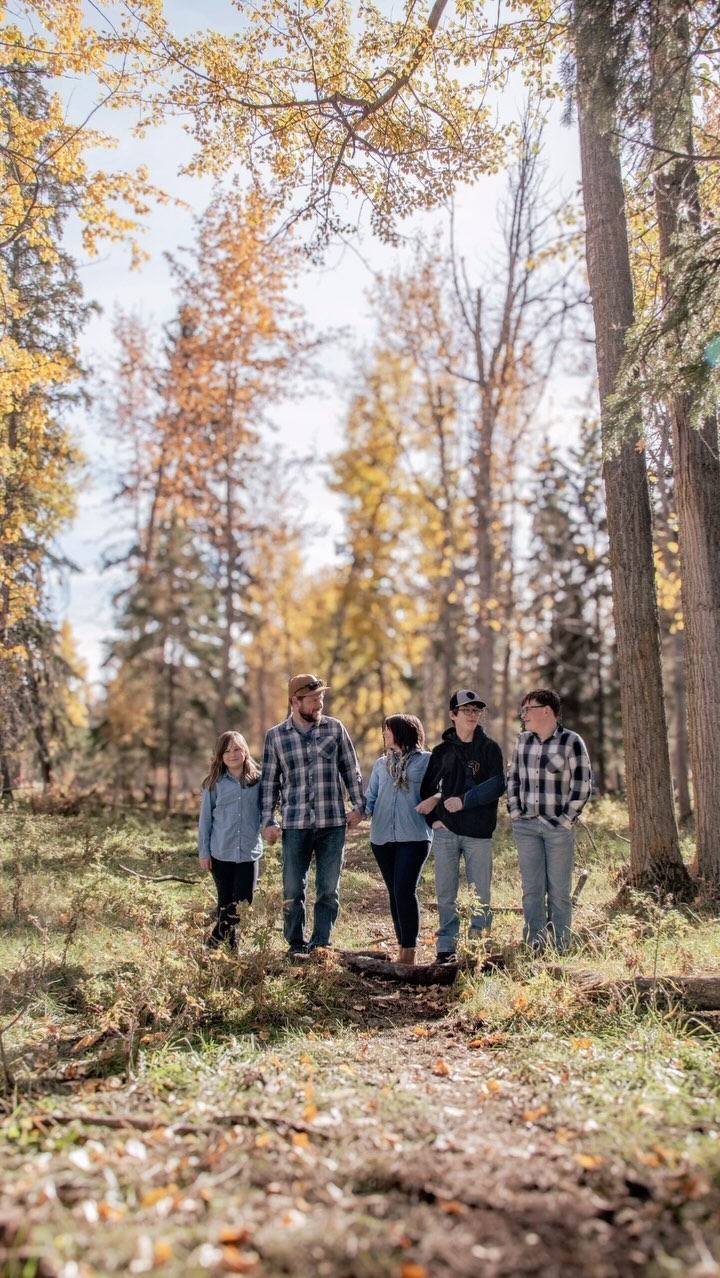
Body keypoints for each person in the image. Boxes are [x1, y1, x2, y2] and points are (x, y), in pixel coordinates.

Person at [260, 674, 365, 956]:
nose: (320, 704)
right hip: (295, 824)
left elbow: (350, 769)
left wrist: (359, 807)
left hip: (332, 823)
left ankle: (321, 944)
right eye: (313, 699)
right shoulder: (275, 737)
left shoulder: (335, 728)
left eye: (321, 698)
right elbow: (269, 783)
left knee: (328, 889)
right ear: (295, 701)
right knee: (293, 889)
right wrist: (268, 820)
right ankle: (296, 944)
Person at [417, 690, 506, 963]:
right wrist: (434, 821)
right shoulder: (441, 752)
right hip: (447, 833)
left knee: (481, 894)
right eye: (466, 710)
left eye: (476, 710)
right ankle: (446, 947)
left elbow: (497, 785)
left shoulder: (489, 749)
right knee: (446, 894)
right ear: (452, 714)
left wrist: (464, 801)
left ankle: (479, 947)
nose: (472, 715)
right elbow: (427, 790)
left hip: (479, 833)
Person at [507, 688, 592, 953]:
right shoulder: (522, 741)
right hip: (526, 826)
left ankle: (560, 945)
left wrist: (566, 820)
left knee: (559, 891)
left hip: (558, 828)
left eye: (528, 709)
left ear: (547, 711)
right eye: (522, 710)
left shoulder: (571, 741)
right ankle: (535, 943)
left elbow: (582, 784)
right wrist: (515, 811)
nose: (523, 715)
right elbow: (513, 778)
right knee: (532, 889)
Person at [365, 714, 432, 966]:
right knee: (394, 892)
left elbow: (442, 788)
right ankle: (402, 946)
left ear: (402, 732)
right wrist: (357, 813)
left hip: (414, 835)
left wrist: (435, 800)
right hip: (382, 837)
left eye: (388, 729)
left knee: (405, 889)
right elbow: (371, 798)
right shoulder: (381, 764)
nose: (384, 733)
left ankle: (410, 951)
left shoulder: (427, 761)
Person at [198, 730, 263, 949]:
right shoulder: (213, 784)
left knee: (244, 901)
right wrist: (204, 852)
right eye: (226, 751)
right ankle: (231, 951)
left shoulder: (258, 781)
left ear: (245, 751)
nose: (232, 754)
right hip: (220, 851)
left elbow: (266, 810)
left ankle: (211, 944)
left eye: (236, 749)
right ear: (220, 755)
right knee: (225, 903)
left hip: (248, 851)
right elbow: (205, 820)